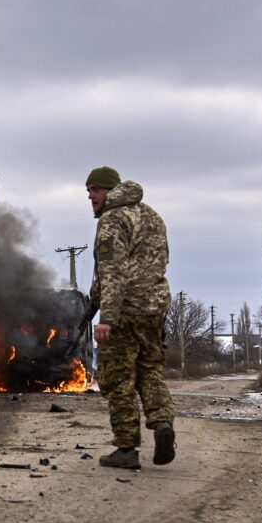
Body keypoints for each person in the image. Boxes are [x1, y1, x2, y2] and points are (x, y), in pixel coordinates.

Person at [86, 166, 176, 469]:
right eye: (88, 190)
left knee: (118, 379)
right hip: (154, 309)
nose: (90, 196)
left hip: (124, 311)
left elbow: (112, 272)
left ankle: (126, 448)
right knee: (150, 370)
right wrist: (93, 300)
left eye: (95, 189)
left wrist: (106, 317)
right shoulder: (151, 215)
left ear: (111, 190)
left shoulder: (113, 219)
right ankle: (163, 423)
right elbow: (160, 260)